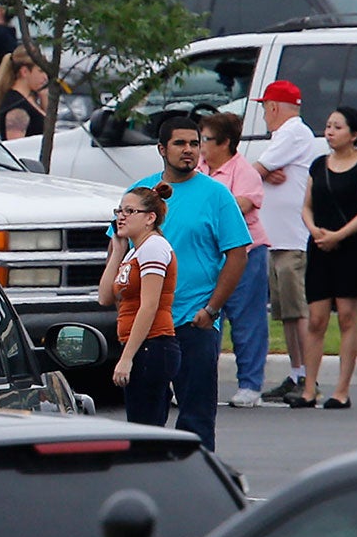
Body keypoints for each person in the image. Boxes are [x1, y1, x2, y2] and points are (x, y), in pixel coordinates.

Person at [128, 116, 251, 449]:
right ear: (161, 148)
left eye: (195, 143)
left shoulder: (217, 195)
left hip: (194, 324)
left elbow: (238, 255)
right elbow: (119, 247)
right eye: (180, 144)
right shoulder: (141, 194)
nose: (189, 151)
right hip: (148, 325)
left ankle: (197, 488)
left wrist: (211, 310)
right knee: (143, 423)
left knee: (196, 421)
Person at [296, 107, 357, 410]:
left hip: (351, 247)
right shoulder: (318, 165)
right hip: (319, 246)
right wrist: (314, 230)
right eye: (328, 125)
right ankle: (309, 389)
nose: (330, 131)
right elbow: (306, 206)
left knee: (347, 316)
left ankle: (342, 391)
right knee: (316, 319)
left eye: (337, 127)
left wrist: (338, 235)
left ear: (354, 134)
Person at [252, 79, 322, 404]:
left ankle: (308, 375)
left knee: (298, 310)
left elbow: (256, 170)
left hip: (293, 238)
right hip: (278, 239)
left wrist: (264, 172)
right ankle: (296, 373)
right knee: (287, 313)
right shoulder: (284, 136)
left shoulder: (293, 131)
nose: (265, 115)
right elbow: (264, 171)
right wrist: (266, 173)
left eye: (266, 108)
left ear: (274, 107)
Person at [199, 112, 268, 407]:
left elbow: (240, 205)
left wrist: (205, 206)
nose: (200, 146)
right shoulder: (198, 169)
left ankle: (250, 385)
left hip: (246, 255)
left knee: (246, 320)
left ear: (225, 143)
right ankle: (199, 381)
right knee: (204, 319)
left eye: (206, 140)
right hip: (208, 255)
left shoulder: (244, 172)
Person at [99, 183, 178, 427]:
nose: (121, 217)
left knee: (147, 427)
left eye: (130, 211)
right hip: (140, 346)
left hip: (152, 345)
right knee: (139, 423)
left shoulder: (154, 246)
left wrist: (127, 357)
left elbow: (149, 306)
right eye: (119, 211)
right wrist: (118, 250)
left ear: (150, 218)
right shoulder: (135, 252)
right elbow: (104, 297)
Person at [0, 47, 48, 140]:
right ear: (24, 72)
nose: (45, 77)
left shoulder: (31, 98)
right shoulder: (16, 105)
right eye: (41, 71)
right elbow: (16, 145)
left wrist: (44, 97)